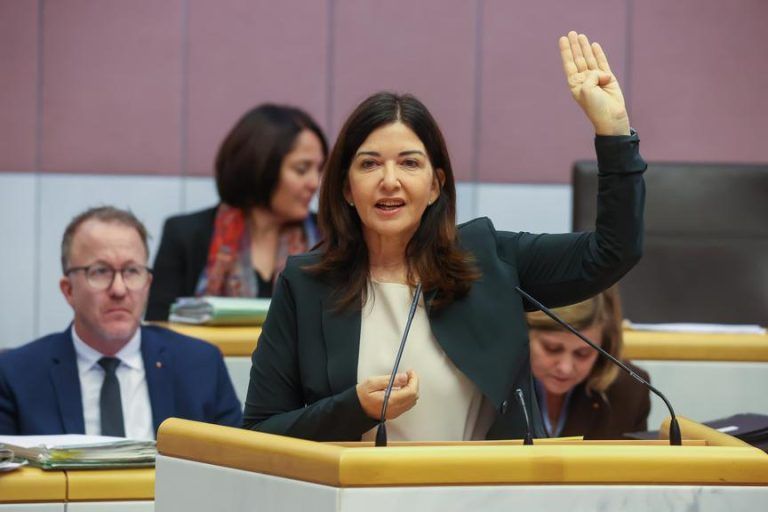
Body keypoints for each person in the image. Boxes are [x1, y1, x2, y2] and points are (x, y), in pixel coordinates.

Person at [242, 32, 646, 442]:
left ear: (435, 185)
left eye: (409, 163)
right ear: (346, 188)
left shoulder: (488, 260)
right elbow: (260, 431)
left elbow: (612, 252)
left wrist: (613, 134)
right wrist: (355, 409)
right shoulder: (307, 283)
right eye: (369, 164)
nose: (390, 181)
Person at [0, 207, 242, 438]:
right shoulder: (16, 376)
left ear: (148, 284)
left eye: (132, 271)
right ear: (68, 290)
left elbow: (236, 468)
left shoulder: (200, 365)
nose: (119, 289)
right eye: (100, 271)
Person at [146, 104, 328, 321]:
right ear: (261, 166)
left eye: (319, 169)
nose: (314, 183)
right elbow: (158, 329)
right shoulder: (186, 235)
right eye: (301, 169)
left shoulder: (329, 237)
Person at [527, 287, 650, 439]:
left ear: (603, 346)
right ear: (523, 335)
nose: (565, 368)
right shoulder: (492, 386)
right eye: (552, 349)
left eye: (583, 354)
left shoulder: (629, 389)